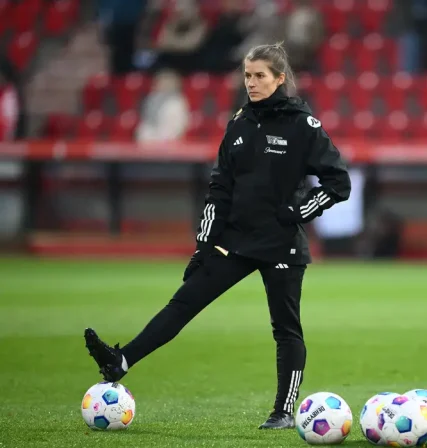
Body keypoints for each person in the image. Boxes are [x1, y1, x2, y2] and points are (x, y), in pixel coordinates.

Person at [83, 43, 352, 430]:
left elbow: (337, 182)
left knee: (286, 329)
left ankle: (283, 412)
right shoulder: (239, 123)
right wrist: (204, 245)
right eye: (247, 75)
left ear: (280, 79)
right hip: (236, 240)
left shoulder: (302, 125)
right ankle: (119, 362)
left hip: (281, 244)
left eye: (260, 76)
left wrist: (298, 212)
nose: (252, 82)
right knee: (183, 302)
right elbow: (219, 189)